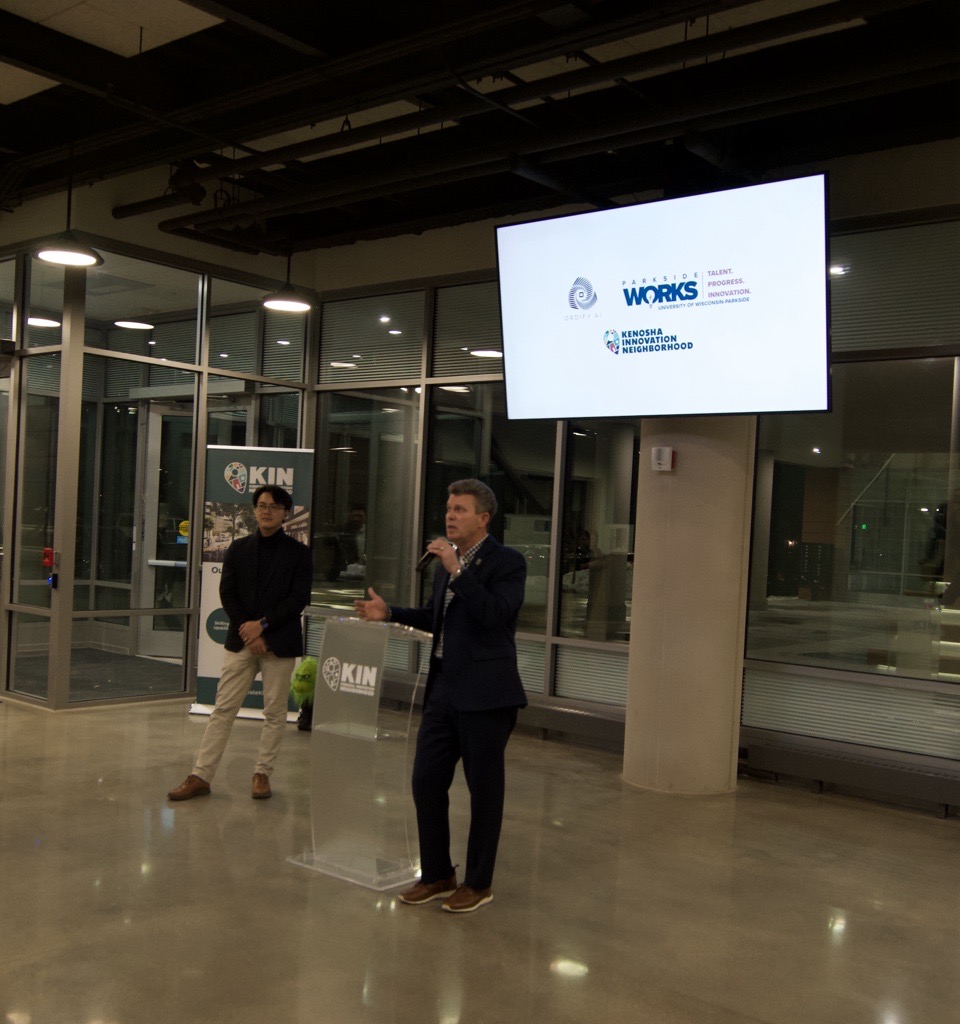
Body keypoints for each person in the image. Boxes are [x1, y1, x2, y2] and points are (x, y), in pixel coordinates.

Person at [354, 478, 527, 913]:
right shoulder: (444, 566)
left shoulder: (507, 562)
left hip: (488, 695)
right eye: (449, 508)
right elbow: (438, 620)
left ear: (483, 518)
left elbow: (495, 616)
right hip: (444, 689)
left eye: (461, 509)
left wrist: (457, 571)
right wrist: (390, 612)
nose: (450, 515)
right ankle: (437, 874)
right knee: (426, 780)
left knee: (484, 791)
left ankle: (478, 883)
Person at [168, 484, 312, 802]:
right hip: (242, 640)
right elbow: (227, 594)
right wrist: (250, 632)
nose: (266, 510)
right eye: (261, 505)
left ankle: (262, 774)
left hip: (279, 641)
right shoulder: (238, 548)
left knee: (274, 713)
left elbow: (298, 599)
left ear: (285, 512)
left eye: (273, 506)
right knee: (223, 709)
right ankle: (201, 776)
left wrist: (262, 627)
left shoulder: (299, 554)